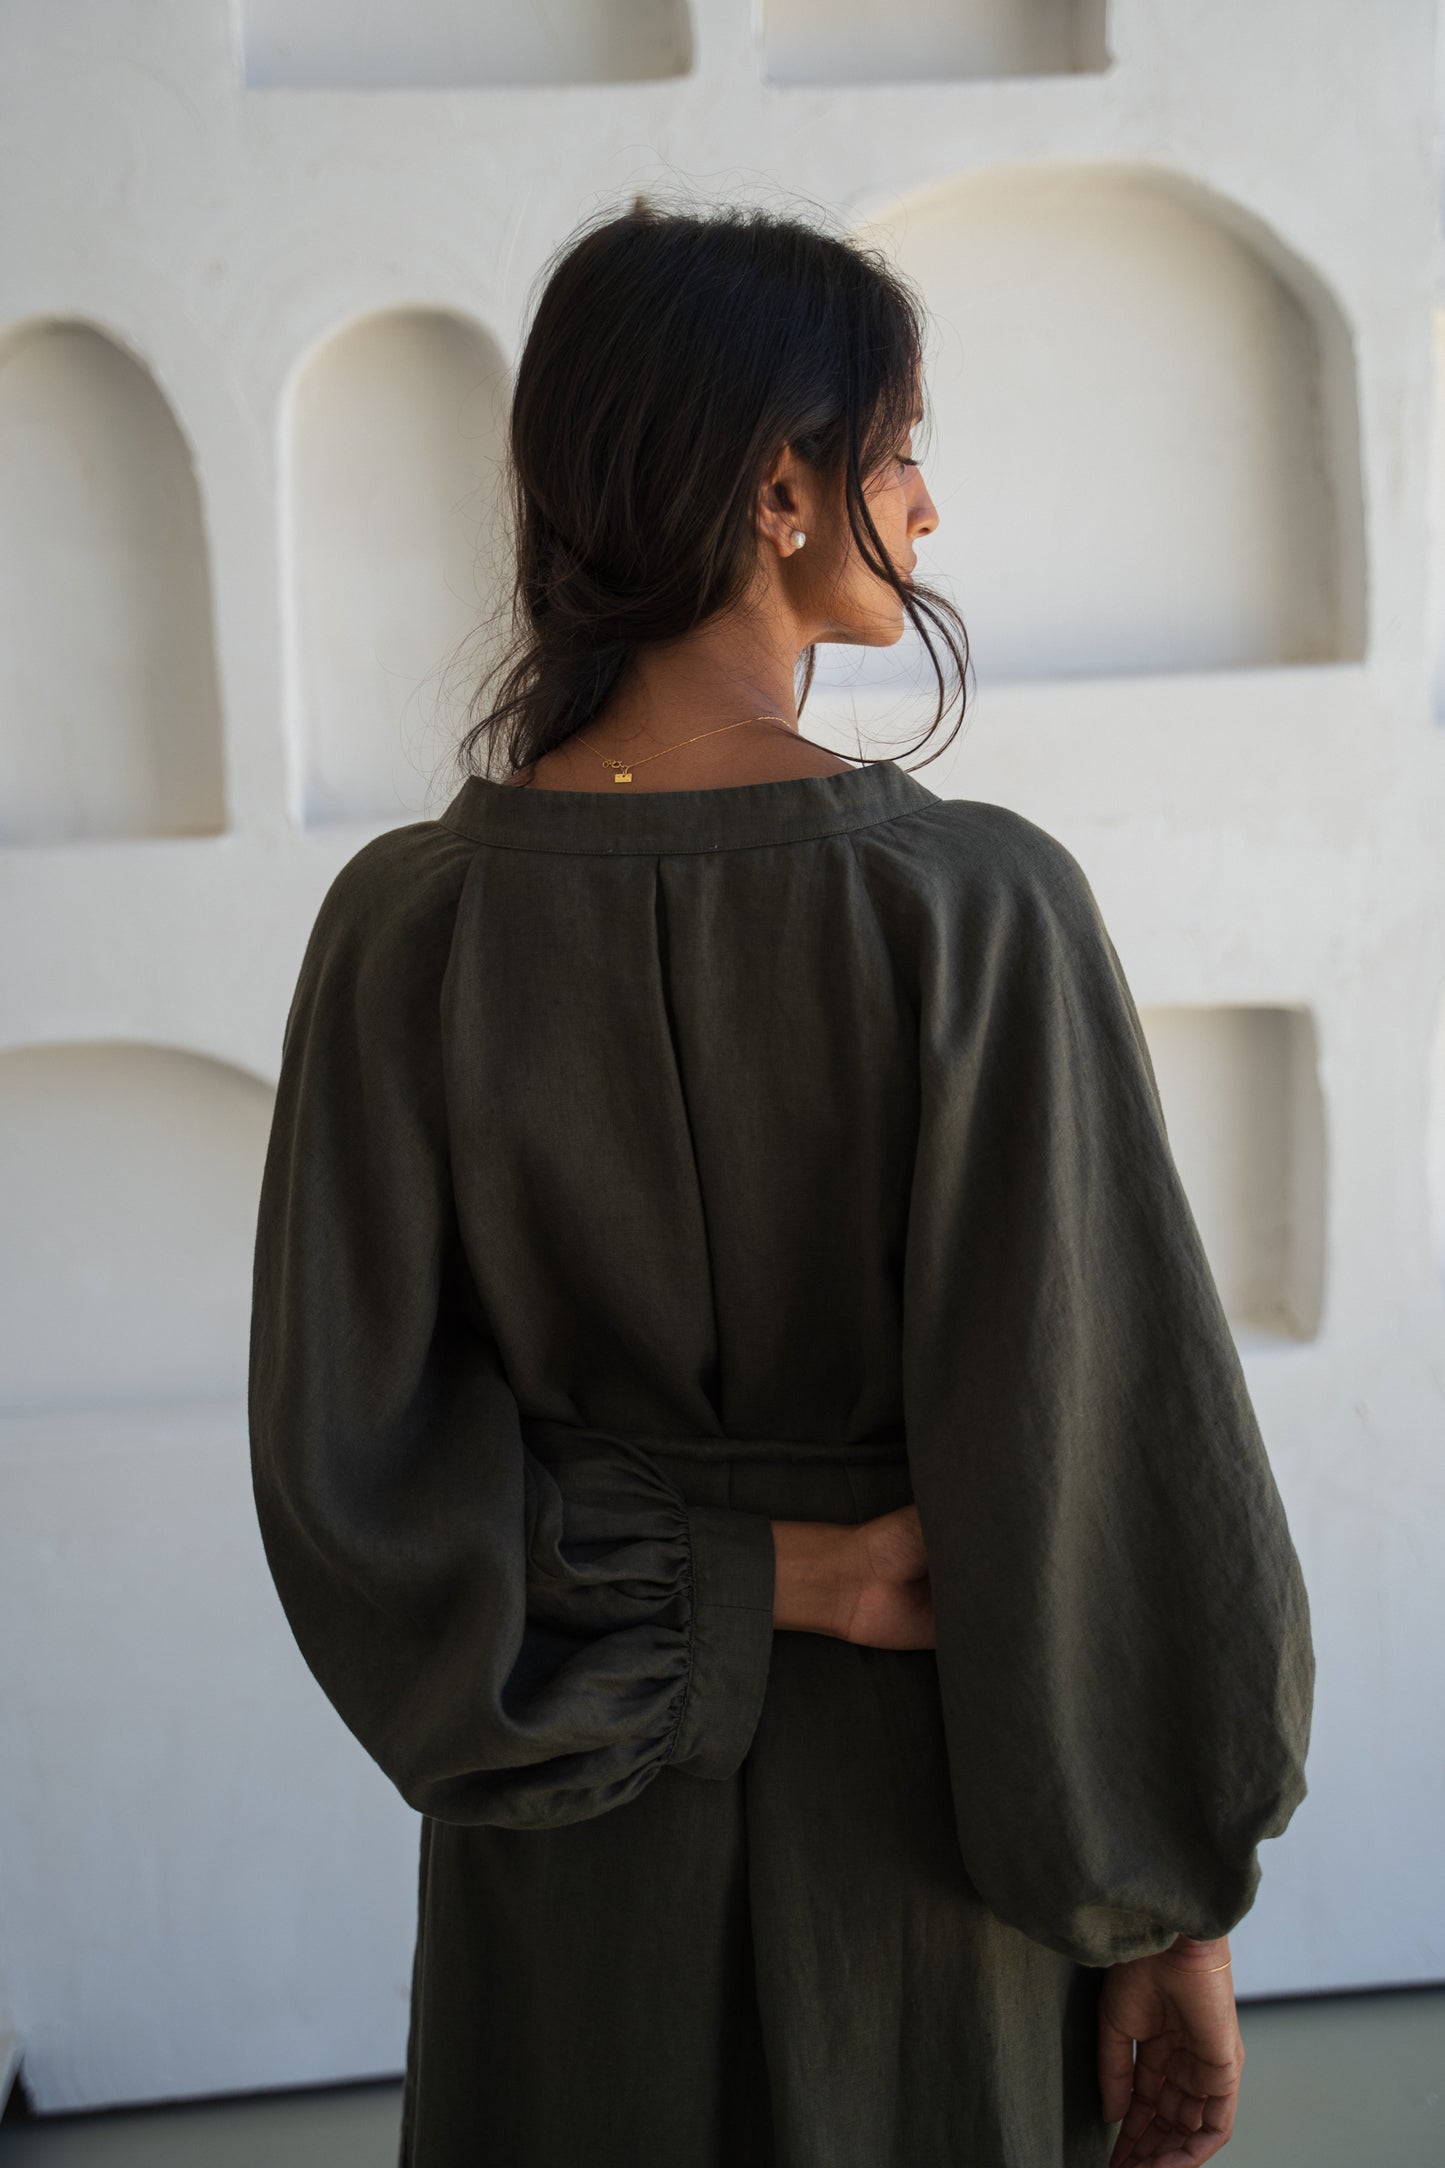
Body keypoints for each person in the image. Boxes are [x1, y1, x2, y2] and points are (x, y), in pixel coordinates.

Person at [248, 195, 1315, 2168]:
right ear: (778, 490)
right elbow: (1105, 1451)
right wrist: (1169, 1909)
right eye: (898, 449)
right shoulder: (973, 910)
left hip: (572, 1860)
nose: (930, 508)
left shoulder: (406, 931)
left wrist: (723, 1587)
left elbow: (357, 1489)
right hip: (923, 1853)